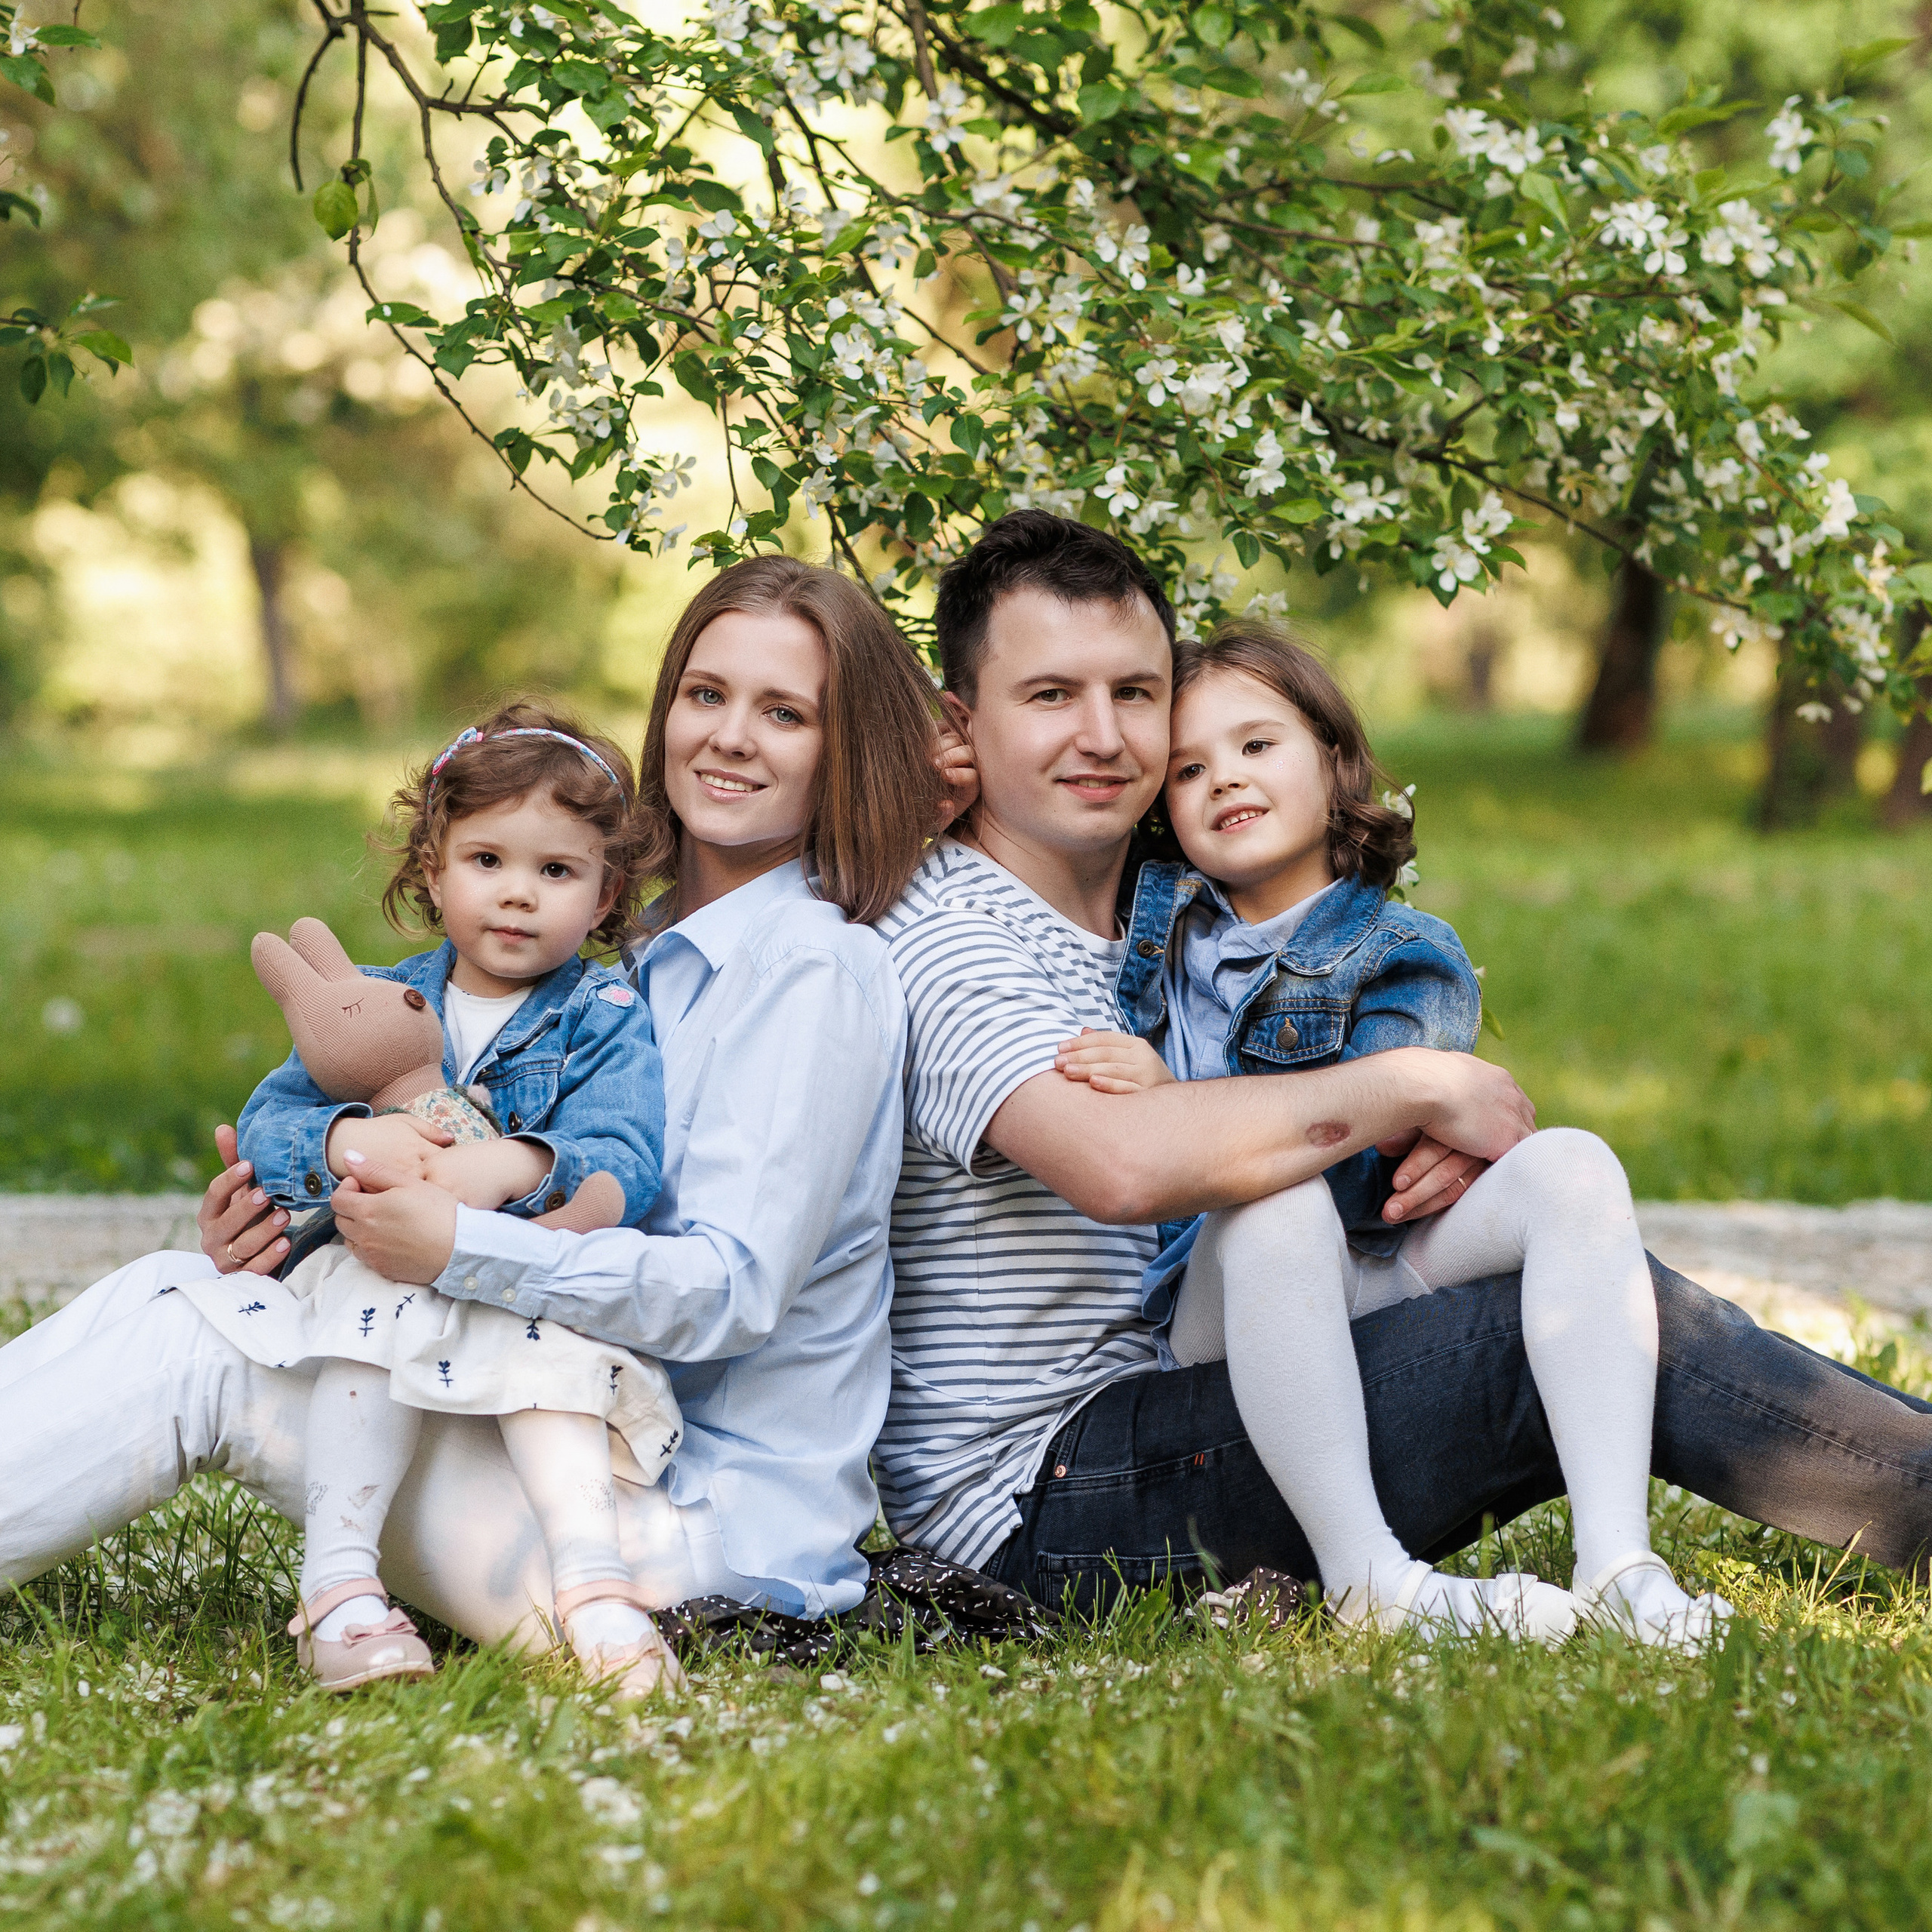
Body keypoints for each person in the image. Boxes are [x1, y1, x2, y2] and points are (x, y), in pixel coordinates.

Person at [872, 507, 1932, 1621]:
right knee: (1559, 1327)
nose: (1105, 737)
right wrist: (1417, 1088)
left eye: (1135, 695)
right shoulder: (952, 933)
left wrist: (1421, 1163)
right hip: (1047, 1501)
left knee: (1572, 1232)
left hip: (1194, 1395)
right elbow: (1121, 1168)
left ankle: (1696, 1544)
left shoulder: (1159, 914)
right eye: (1050, 697)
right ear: (963, 722)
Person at [0, 557, 944, 1647]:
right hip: (557, 1435)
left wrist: (449, 1245)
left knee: (190, 1347)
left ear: (843, 751)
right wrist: (302, 1227)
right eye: (706, 693)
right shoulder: (624, 959)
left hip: (688, 1530)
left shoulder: (811, 973)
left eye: (785, 712)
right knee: (185, 1294)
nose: (732, 735)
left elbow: (730, 1293)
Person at [1049, 623, 1727, 1647]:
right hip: (1219, 1292)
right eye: (1187, 769)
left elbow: (1378, 1174)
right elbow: (1222, 1167)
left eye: (1256, 746)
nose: (1223, 779)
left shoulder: (1405, 952)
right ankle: (1364, 1573)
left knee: (1574, 1165)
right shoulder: (1160, 928)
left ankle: (1619, 1560)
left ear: (1333, 759)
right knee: (1273, 1204)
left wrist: (1181, 1095)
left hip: (1368, 1252)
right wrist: (1154, 1097)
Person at [216, 702, 685, 1694]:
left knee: (554, 1359)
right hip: (384, 1274)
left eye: (555, 872)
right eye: (487, 862)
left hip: (514, 1281)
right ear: (433, 869)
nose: (518, 896)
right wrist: (350, 1135)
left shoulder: (602, 1019)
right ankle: (339, 1587)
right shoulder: (379, 1000)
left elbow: (627, 1155)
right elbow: (271, 1123)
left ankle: (592, 1586)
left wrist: (517, 1166)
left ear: (605, 897)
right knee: (365, 1336)